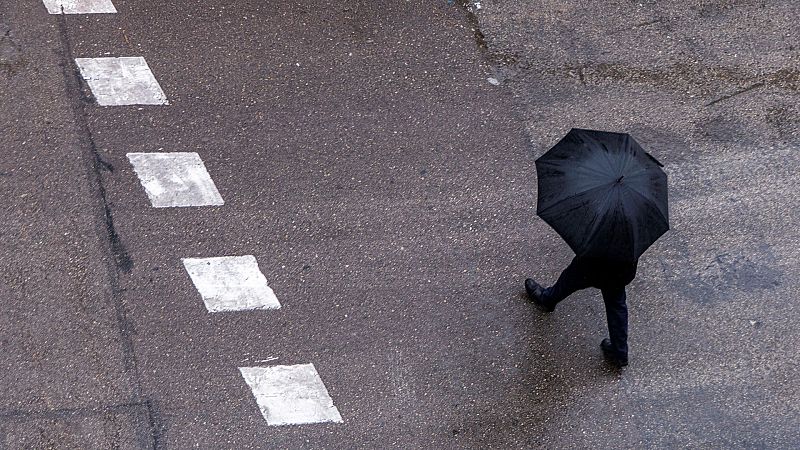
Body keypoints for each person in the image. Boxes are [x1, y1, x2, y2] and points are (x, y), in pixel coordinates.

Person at [525, 256, 638, 367]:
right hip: (623, 265)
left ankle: (548, 299)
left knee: (572, 276)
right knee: (616, 300)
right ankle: (619, 352)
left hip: (596, 260)